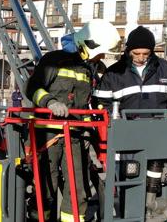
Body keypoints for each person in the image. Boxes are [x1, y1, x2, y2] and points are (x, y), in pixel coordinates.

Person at [25, 19, 121, 222]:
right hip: (47, 135)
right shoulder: (53, 61)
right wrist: (49, 102)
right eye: (101, 52)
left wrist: (88, 130)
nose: (102, 57)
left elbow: (84, 103)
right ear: (88, 44)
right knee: (45, 187)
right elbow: (32, 87)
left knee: (78, 188)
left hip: (75, 136)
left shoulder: (88, 69)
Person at [94, 25, 167, 116]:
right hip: (125, 127)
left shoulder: (166, 68)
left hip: (160, 126)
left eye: (146, 54)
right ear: (128, 50)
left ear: (151, 51)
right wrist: (115, 117)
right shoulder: (113, 73)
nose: (141, 57)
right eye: (136, 53)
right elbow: (102, 102)